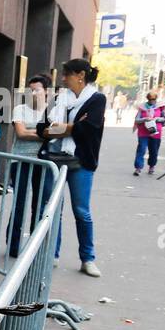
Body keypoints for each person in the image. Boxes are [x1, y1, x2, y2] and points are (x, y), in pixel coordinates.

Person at [38, 58, 105, 277]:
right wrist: (71, 127)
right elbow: (41, 129)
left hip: (80, 163)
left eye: (67, 74)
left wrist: (59, 128)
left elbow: (88, 130)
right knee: (51, 210)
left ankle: (88, 258)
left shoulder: (97, 99)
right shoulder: (59, 98)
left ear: (80, 75)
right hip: (54, 161)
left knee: (82, 211)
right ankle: (52, 255)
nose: (63, 79)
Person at [8, 74, 56, 257]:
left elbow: (58, 133)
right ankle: (13, 245)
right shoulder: (20, 109)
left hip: (43, 162)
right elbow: (20, 133)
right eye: (30, 90)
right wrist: (45, 133)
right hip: (20, 160)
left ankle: (35, 247)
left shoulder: (53, 111)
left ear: (46, 91)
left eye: (37, 89)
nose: (32, 93)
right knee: (19, 203)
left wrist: (35, 132)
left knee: (40, 204)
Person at [132, 90, 165, 175]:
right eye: (150, 100)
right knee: (141, 149)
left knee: (154, 151)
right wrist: (144, 119)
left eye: (154, 99)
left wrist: (157, 119)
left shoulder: (160, 107)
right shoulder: (142, 108)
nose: (152, 101)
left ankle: (152, 166)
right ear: (147, 99)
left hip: (156, 132)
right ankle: (138, 168)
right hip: (143, 132)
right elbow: (137, 120)